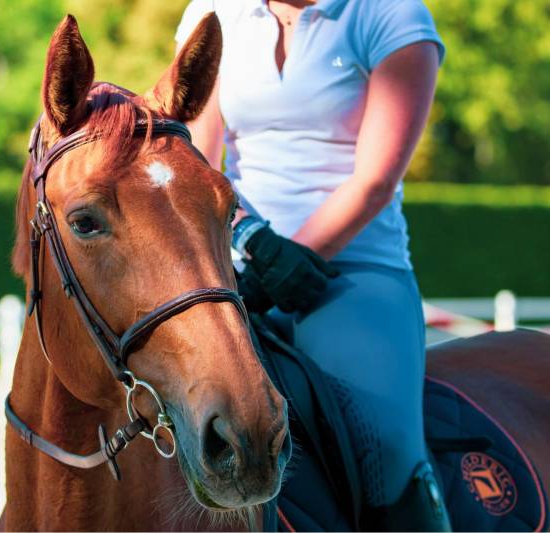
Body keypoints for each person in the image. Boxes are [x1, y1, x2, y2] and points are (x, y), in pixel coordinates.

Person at [175, 0, 448, 530]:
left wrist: (289, 256)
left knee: (386, 444)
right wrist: (252, 241)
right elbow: (196, 160)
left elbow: (375, 180)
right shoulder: (211, 13)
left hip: (354, 270)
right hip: (238, 268)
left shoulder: (391, 15)